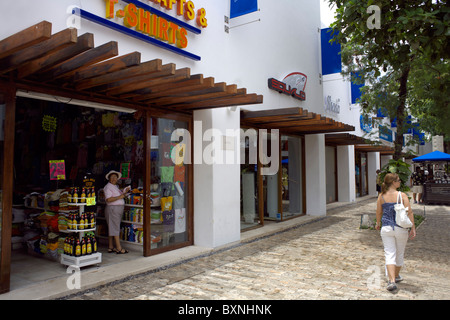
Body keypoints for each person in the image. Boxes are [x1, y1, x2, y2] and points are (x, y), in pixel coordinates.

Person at [375, 173, 416, 291]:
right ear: (393, 182)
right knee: (399, 253)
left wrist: (378, 224)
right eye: (398, 180)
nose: (400, 182)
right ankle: (396, 276)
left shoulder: (381, 196)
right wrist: (412, 227)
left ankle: (392, 280)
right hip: (400, 228)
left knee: (389, 253)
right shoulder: (401, 195)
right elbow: (409, 212)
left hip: (387, 228)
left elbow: (379, 212)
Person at [104, 170, 131, 254]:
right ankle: (119, 248)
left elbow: (119, 195)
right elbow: (108, 199)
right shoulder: (108, 187)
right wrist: (120, 197)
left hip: (116, 209)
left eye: (115, 177)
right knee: (115, 228)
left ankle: (111, 246)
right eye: (112, 177)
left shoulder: (115, 186)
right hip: (113, 208)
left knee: (112, 227)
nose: (113, 179)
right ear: (109, 178)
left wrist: (125, 192)